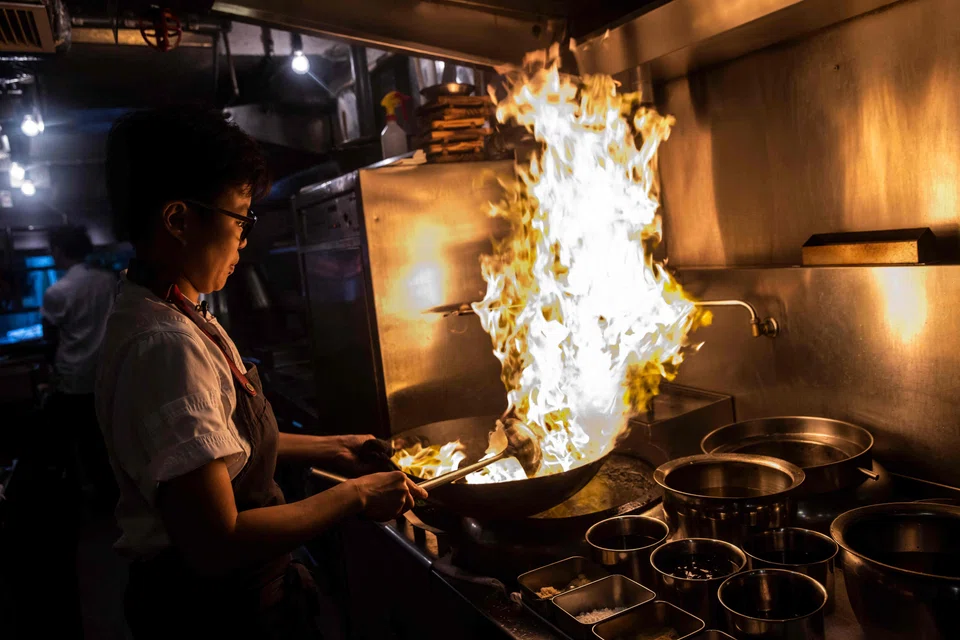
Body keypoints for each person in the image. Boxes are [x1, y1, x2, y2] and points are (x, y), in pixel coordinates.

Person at [97, 106, 426, 639]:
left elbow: (221, 444)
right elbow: (216, 541)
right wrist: (356, 495)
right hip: (217, 615)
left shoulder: (172, 306)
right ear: (178, 219)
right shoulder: (165, 345)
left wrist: (337, 446)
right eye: (240, 219)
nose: (245, 240)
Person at [42, 225, 119, 509]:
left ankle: (92, 499)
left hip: (74, 378)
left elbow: (50, 339)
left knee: (82, 443)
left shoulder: (57, 291)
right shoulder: (109, 281)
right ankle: (116, 495)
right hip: (108, 373)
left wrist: (51, 373)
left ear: (59, 251)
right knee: (110, 438)